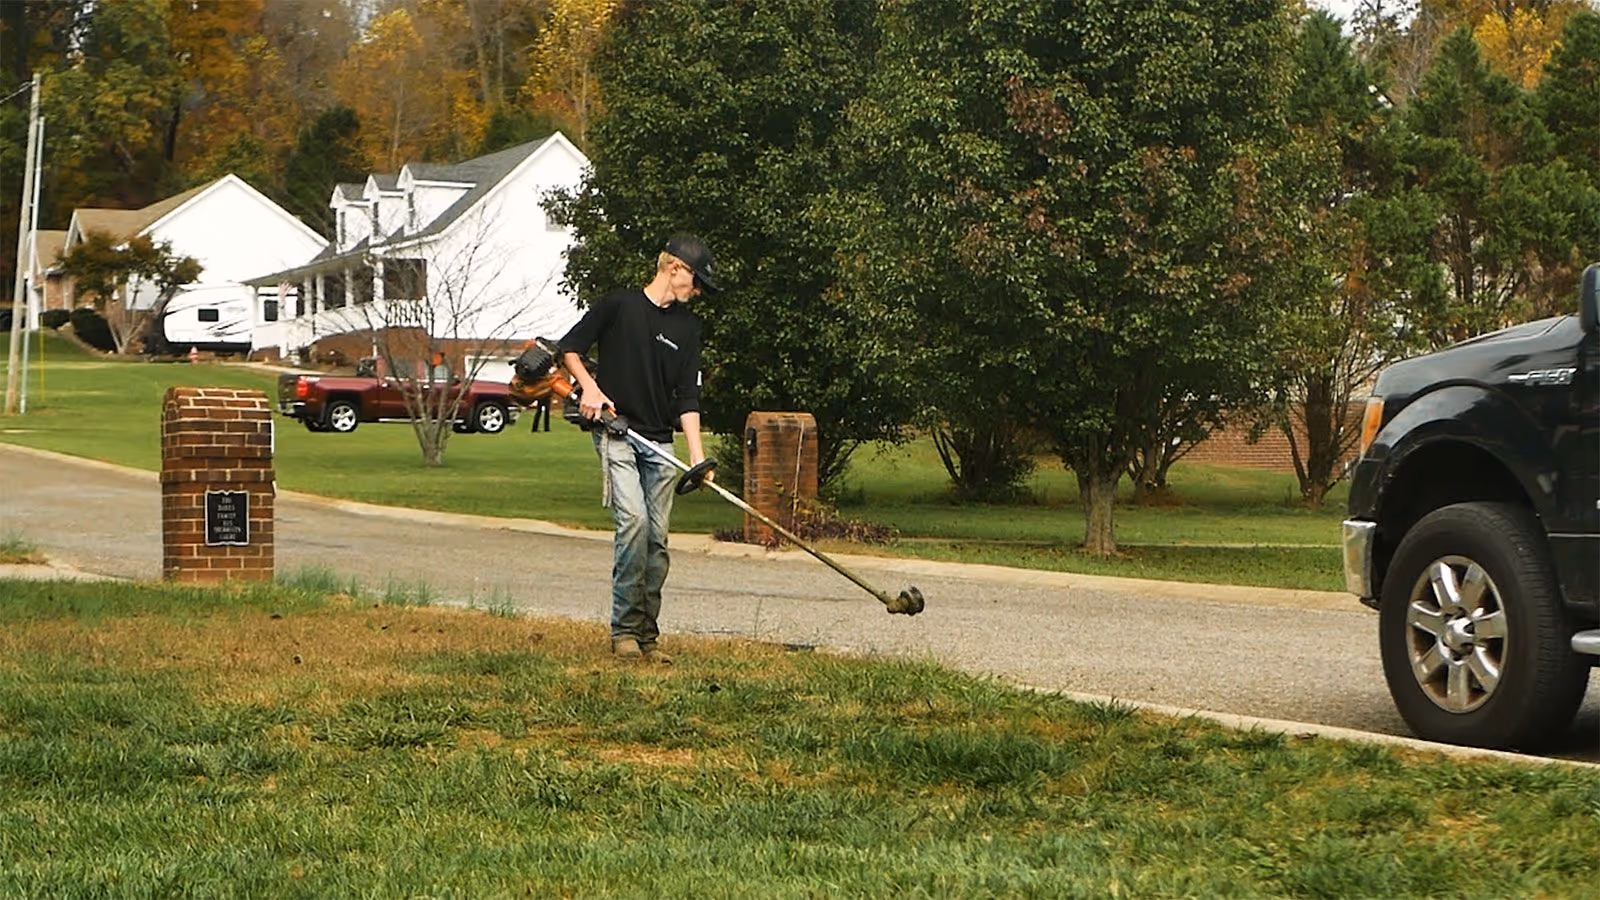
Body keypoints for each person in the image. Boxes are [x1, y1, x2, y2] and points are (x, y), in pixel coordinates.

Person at [558, 233, 719, 665]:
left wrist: (697, 458)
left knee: (657, 541)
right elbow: (568, 348)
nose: (697, 291)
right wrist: (590, 389)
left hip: (659, 442)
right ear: (674, 269)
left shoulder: (687, 327)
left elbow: (688, 397)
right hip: (617, 433)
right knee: (633, 524)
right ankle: (624, 631)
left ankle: (648, 637)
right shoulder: (619, 306)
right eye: (696, 280)